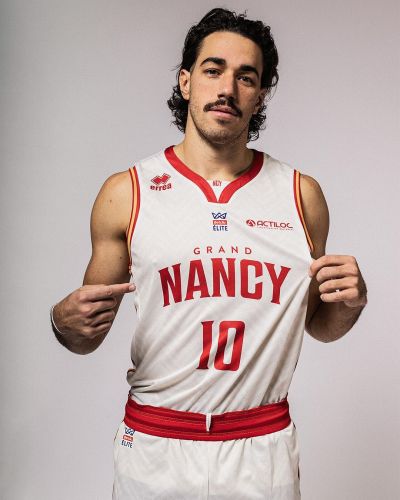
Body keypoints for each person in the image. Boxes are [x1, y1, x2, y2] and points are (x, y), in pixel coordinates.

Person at [50, 7, 368, 500]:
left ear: (261, 95)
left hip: (260, 446)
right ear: (186, 81)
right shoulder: (127, 192)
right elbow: (84, 336)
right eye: (213, 70)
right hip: (155, 442)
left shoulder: (300, 195)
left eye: (246, 77)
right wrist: (62, 321)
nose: (228, 89)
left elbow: (318, 323)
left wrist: (350, 304)